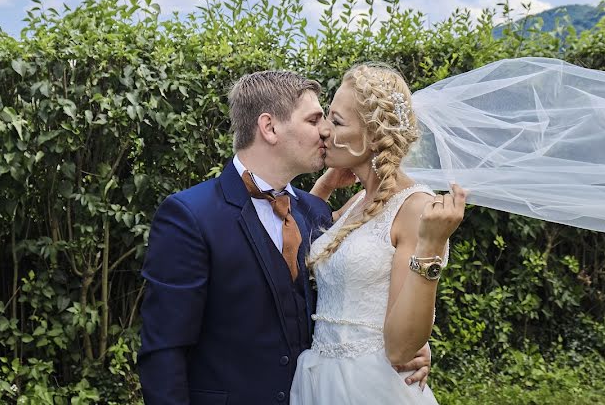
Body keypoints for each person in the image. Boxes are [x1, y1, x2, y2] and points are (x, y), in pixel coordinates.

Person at [138, 70, 431, 405]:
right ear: (270, 127)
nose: (325, 131)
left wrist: (414, 343)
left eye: (330, 120)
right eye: (314, 119)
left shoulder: (315, 214)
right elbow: (163, 352)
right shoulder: (190, 215)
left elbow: (357, 286)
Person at [291, 63, 466, 404]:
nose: (324, 130)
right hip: (320, 379)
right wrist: (323, 188)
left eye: (337, 121)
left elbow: (402, 348)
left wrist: (431, 246)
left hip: (368, 387)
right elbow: (295, 243)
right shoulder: (359, 201)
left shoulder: (415, 208)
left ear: (372, 136)